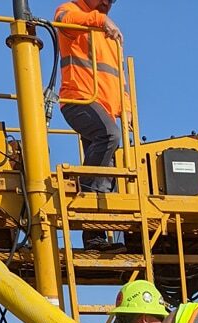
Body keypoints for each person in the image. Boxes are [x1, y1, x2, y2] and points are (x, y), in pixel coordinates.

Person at [55, 0, 126, 250]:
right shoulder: (70, 11)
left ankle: (94, 237)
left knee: (106, 173)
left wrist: (125, 108)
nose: (107, 3)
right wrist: (100, 19)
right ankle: (81, 193)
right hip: (78, 99)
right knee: (108, 136)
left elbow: (119, 78)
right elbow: (64, 22)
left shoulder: (110, 37)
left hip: (103, 109)